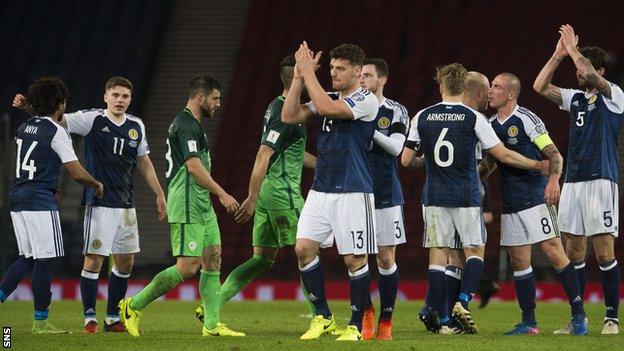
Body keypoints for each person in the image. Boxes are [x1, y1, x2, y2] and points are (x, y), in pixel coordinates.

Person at [401, 63, 548, 334]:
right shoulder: (474, 118)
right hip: (466, 194)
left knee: (438, 255)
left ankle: (442, 320)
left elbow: (407, 159)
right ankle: (464, 301)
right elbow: (502, 155)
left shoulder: (422, 116)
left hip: (434, 194)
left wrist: (432, 162)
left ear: (441, 85)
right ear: (465, 87)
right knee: (474, 251)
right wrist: (536, 165)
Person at [13, 76, 166, 333]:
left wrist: (159, 193)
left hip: (126, 204)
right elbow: (55, 118)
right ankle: (89, 317)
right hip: (99, 203)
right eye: (115, 95)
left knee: (126, 262)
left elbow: (144, 162)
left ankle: (113, 317)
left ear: (130, 99)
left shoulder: (136, 126)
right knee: (93, 260)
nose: (120, 100)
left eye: (125, 96)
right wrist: (29, 105)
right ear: (106, 96)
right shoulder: (92, 119)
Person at [119, 76, 244, 337]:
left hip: (200, 204)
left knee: (213, 261)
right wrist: (222, 194)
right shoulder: (186, 124)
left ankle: (211, 324)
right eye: (215, 98)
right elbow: (194, 167)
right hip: (187, 203)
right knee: (188, 267)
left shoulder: (194, 125)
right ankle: (134, 306)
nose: (218, 104)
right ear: (200, 97)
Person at [194, 55, 317, 321]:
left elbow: (293, 151)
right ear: (299, 79)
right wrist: (251, 197)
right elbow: (263, 154)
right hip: (281, 193)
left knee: (262, 259)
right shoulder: (285, 112)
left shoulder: (280, 107)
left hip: (268, 193)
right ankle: (321, 316)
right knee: (309, 252)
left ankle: (213, 303)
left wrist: (321, 164)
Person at [282, 42, 379, 341]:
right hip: (321, 188)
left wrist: (310, 72)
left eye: (340, 69)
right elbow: (289, 116)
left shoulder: (366, 100)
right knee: (303, 249)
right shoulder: (330, 96)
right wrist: (299, 77)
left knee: (354, 259)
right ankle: (323, 317)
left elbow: (325, 108)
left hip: (352, 190)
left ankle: (355, 325)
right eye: (332, 67)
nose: (333, 73)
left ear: (357, 72)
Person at [533, 24, 622, 335]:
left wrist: (573, 50)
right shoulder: (574, 98)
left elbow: (592, 76)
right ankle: (579, 318)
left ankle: (611, 317)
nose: (576, 71)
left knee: (604, 250)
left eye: (582, 65)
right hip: (573, 181)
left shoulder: (615, 96)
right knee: (574, 252)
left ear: (598, 69)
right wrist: (559, 55)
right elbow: (539, 86)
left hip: (601, 180)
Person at [483, 72, 587, 335]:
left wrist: (553, 181)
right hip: (510, 201)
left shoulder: (527, 120)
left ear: (511, 94)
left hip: (534, 196)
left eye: (496, 87)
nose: (490, 91)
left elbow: (553, 154)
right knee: (519, 261)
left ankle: (579, 318)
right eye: (491, 86)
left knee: (554, 251)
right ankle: (529, 323)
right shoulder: (491, 124)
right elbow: (492, 162)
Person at [1, 76, 103, 334]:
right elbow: (76, 171)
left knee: (28, 257)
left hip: (18, 197)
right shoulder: (57, 131)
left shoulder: (24, 126)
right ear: (59, 103)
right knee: (45, 260)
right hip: (38, 200)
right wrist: (96, 184)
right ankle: (41, 322)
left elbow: (33, 161)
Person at [358, 57, 408, 340]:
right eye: (360, 75)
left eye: (367, 75)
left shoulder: (395, 110)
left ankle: (386, 321)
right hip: (356, 192)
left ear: (382, 80)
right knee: (358, 258)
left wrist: (371, 129)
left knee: (386, 258)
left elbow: (396, 148)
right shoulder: (350, 107)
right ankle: (366, 315)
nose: (362, 79)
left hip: (386, 192)